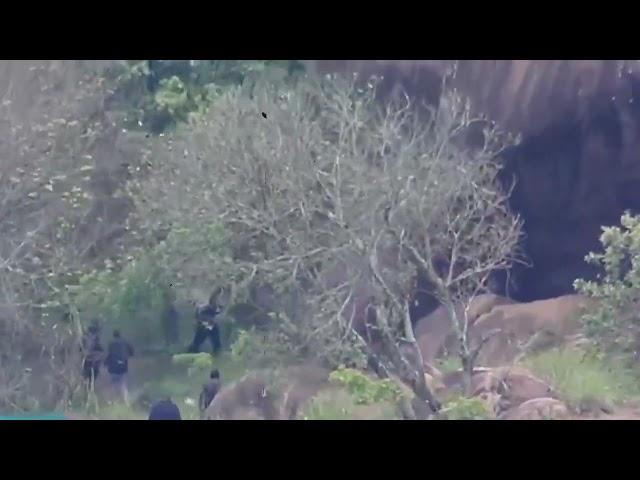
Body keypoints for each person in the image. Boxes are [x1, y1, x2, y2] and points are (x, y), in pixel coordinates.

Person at [105, 330, 134, 405]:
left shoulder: (111, 344)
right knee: (123, 384)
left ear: (113, 335)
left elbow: (109, 355)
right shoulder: (125, 342)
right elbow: (131, 352)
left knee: (113, 384)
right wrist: (127, 357)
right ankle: (126, 402)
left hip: (113, 367)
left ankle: (112, 401)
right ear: (120, 335)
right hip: (123, 366)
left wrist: (105, 363)